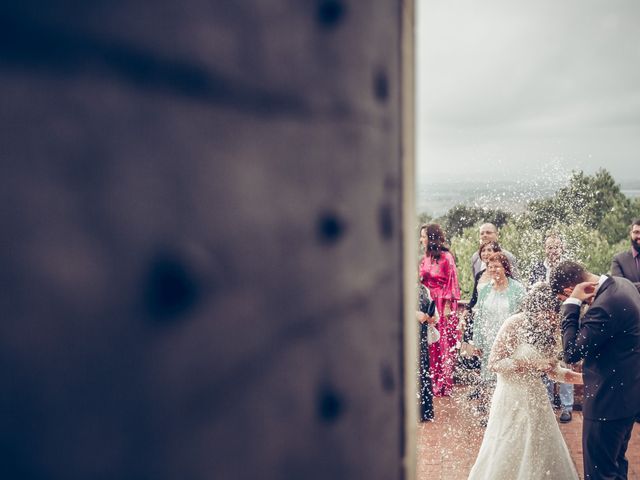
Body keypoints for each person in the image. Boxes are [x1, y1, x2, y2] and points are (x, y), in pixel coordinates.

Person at [468, 283, 582, 480]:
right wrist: (530, 364)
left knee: (541, 448)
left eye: (554, 313)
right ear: (534, 308)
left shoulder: (552, 331)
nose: (550, 318)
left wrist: (585, 379)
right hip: (510, 398)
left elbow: (554, 371)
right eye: (546, 312)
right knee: (508, 445)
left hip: (536, 398)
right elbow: (494, 363)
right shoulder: (515, 323)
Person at [551, 261, 640, 480]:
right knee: (616, 465)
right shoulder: (622, 284)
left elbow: (571, 353)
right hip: (626, 398)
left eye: (563, 298)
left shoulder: (605, 306)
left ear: (568, 289)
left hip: (606, 404)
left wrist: (572, 304)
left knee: (600, 473)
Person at [470, 252, 525, 418]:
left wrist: (519, 340)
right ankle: (492, 415)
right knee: (488, 377)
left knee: (508, 377)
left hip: (510, 341)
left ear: (505, 268)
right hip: (488, 340)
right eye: (490, 266)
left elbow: (523, 317)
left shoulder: (517, 288)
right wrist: (477, 341)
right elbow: (478, 317)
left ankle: (510, 414)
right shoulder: (485, 289)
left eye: (497, 266)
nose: (493, 269)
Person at [529, 233, 574, 423]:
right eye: (549, 247)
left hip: (563, 320)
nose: (553, 250)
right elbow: (531, 293)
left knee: (564, 362)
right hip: (541, 322)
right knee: (544, 361)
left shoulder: (568, 268)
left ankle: (567, 407)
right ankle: (546, 404)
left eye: (556, 247)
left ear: (562, 248)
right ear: (544, 249)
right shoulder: (537, 268)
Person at [419, 223, 461, 397]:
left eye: (423, 236)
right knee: (430, 345)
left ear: (432, 238)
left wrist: (447, 308)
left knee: (441, 344)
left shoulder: (446, 257)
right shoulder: (425, 257)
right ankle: (431, 381)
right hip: (427, 301)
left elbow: (452, 282)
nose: (421, 239)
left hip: (441, 304)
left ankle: (443, 384)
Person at [416, 281, 439, 422]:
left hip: (421, 336)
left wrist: (431, 317)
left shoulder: (423, 289)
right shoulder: (393, 286)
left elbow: (435, 316)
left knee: (421, 369)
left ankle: (422, 412)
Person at [610, 217, 640, 294]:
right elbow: (619, 287)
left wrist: (630, 285)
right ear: (631, 233)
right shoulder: (618, 260)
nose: (639, 236)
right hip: (631, 305)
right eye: (636, 232)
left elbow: (626, 286)